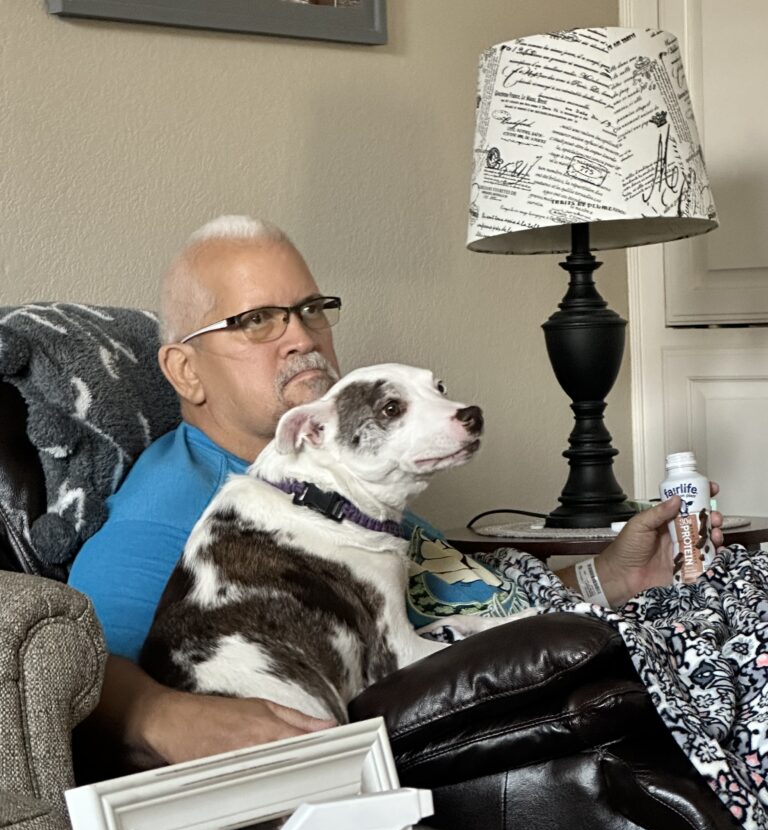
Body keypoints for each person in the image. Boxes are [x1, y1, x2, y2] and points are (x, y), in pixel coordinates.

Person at [68, 214, 723, 772]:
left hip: (538, 660)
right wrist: (160, 714)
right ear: (185, 369)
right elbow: (79, 669)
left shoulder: (348, 483)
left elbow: (462, 602)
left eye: (311, 309)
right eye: (258, 320)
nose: (303, 337)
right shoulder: (179, 506)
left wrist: (609, 577)